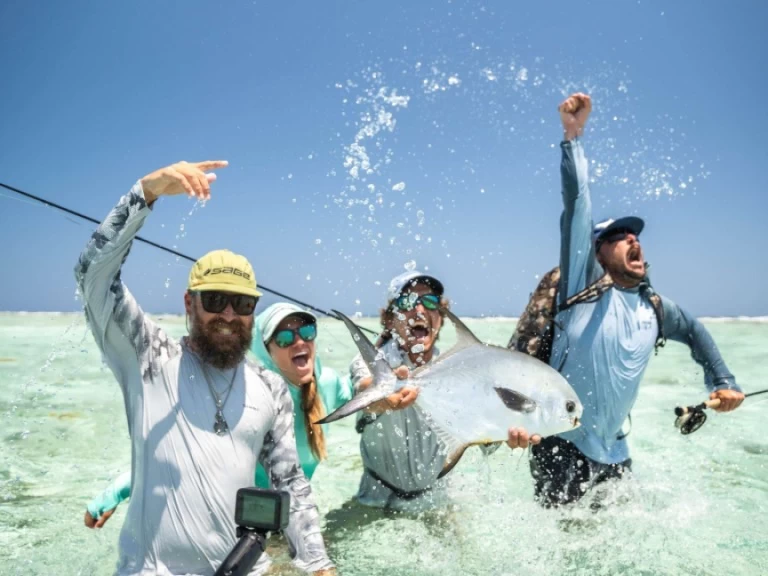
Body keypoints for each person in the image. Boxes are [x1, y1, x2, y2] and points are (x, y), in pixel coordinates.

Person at [75, 160, 334, 575]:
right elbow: (93, 275)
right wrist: (146, 191)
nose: (229, 314)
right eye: (215, 300)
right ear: (189, 303)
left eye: (242, 303)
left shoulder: (270, 387)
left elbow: (291, 485)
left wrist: (319, 566)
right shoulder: (150, 358)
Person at [529, 93, 745, 507]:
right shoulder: (581, 288)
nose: (633, 239)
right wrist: (573, 136)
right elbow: (577, 203)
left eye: (635, 236)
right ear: (596, 252)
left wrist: (723, 381)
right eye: (618, 236)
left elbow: (695, 332)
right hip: (561, 444)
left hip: (616, 452)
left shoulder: (656, 308)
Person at [84, 303, 353, 527]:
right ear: (267, 352)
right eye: (284, 338)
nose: (299, 341)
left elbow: (360, 387)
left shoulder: (327, 384)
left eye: (307, 331)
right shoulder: (250, 399)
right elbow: (183, 456)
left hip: (290, 516)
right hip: (238, 520)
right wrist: (117, 491)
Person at [349, 271, 538, 511]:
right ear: (390, 319)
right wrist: (384, 396)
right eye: (407, 302)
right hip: (376, 497)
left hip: (437, 500)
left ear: (441, 317)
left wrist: (506, 430)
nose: (420, 310)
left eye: (430, 302)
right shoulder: (370, 363)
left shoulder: (461, 372)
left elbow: (484, 440)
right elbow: (364, 390)